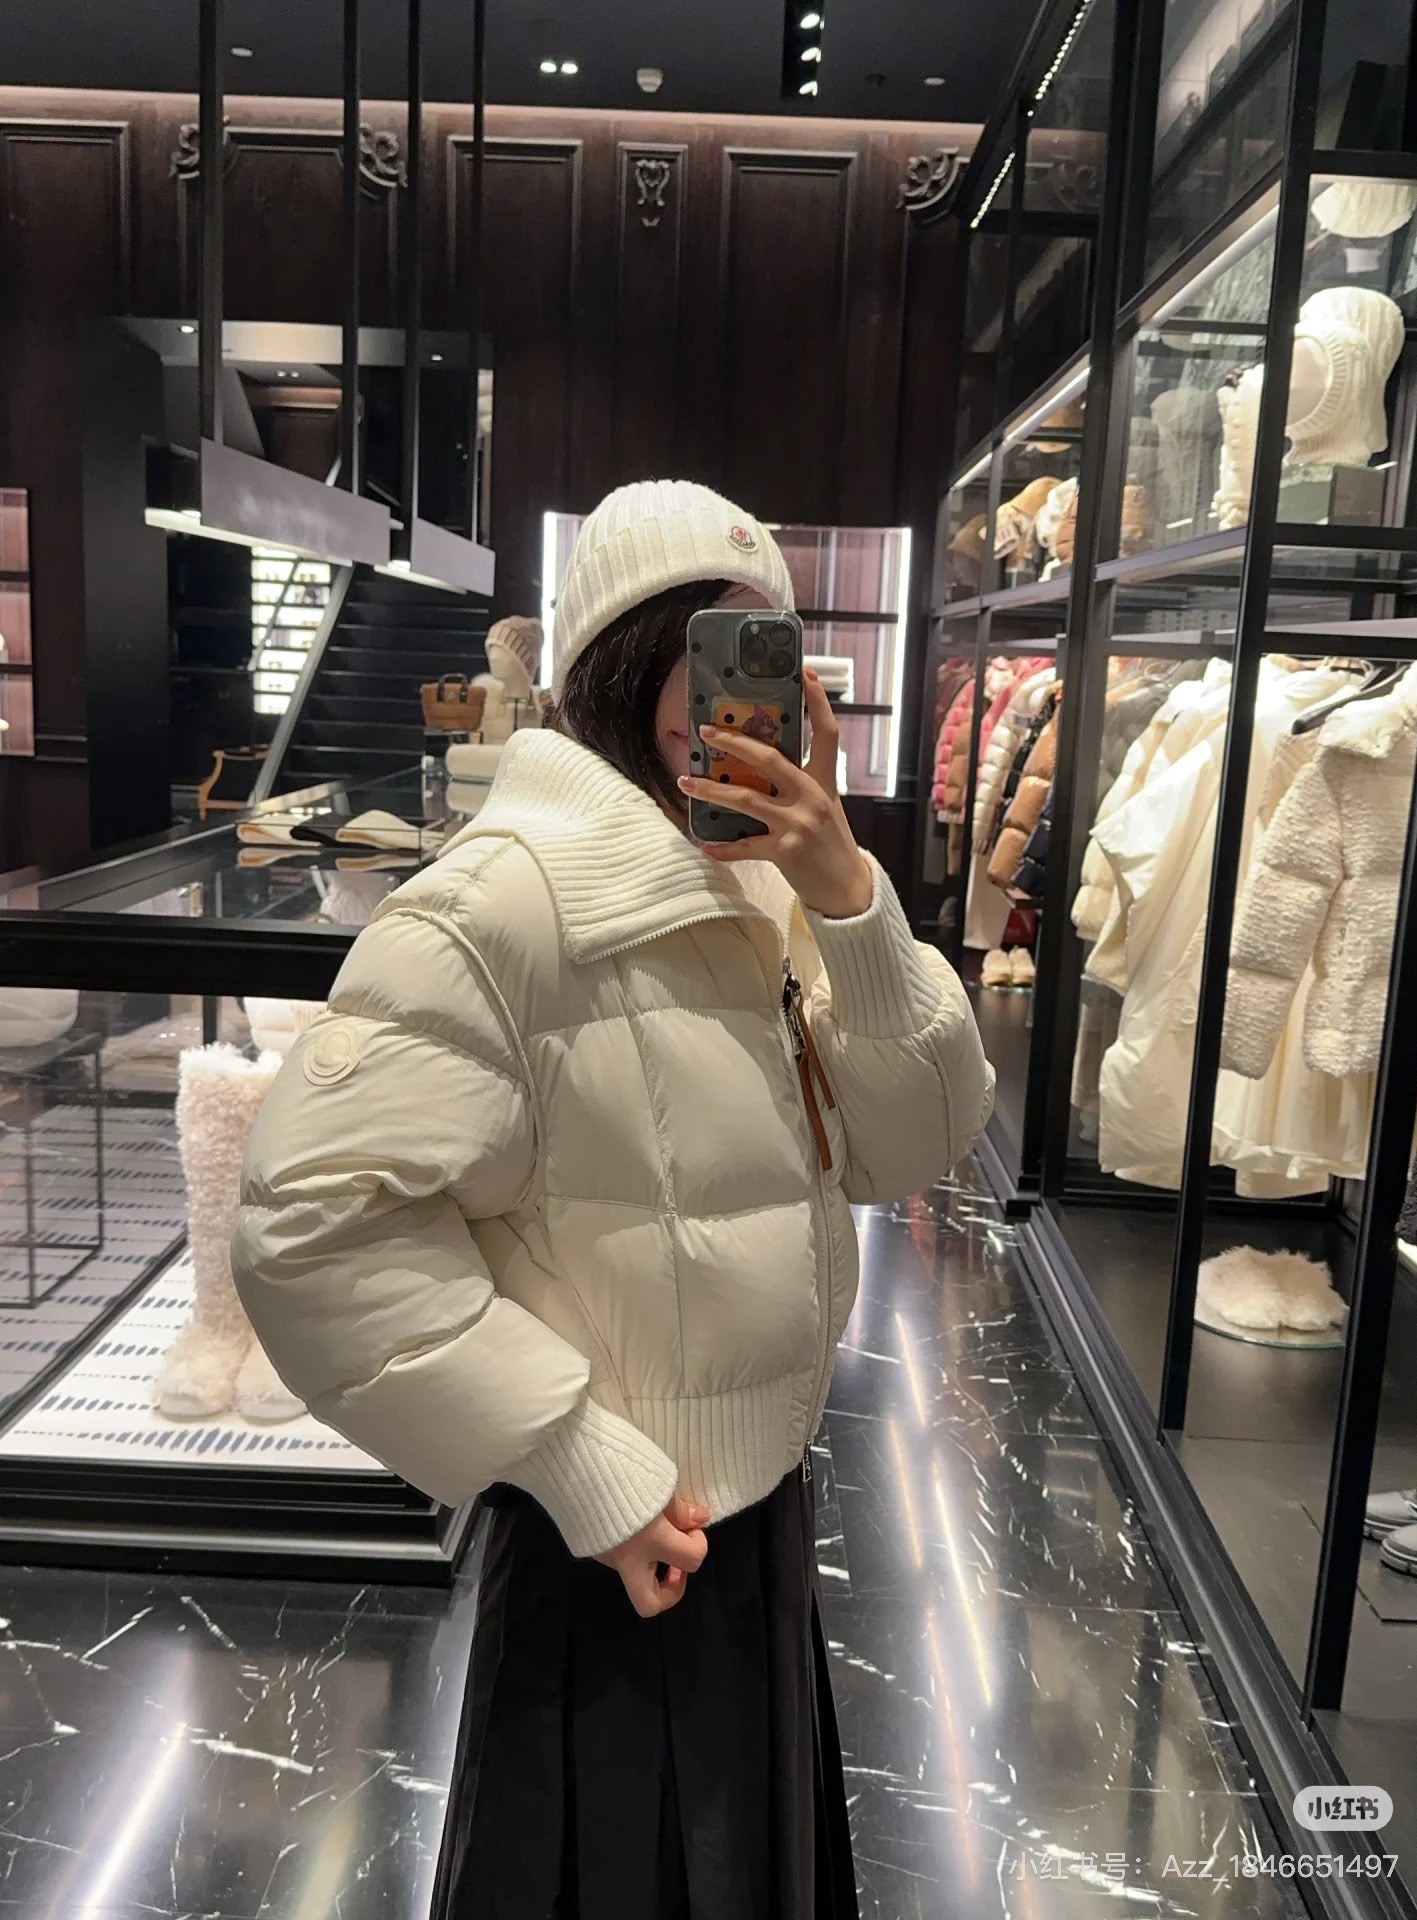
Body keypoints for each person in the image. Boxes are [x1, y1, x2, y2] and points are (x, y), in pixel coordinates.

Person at [230, 478, 993, 1918]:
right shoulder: (495, 907)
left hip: (753, 1517)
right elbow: (312, 1231)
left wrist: (850, 901)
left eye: (768, 645)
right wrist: (583, 1462)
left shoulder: (759, 885)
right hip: (615, 1553)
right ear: (620, 664)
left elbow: (915, 1145)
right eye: (706, 642)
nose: (742, 691)